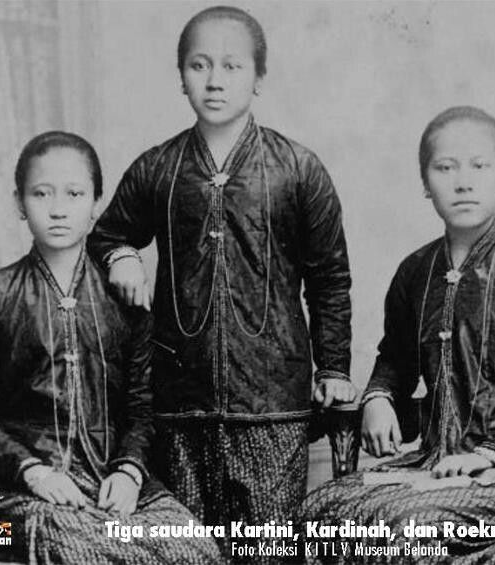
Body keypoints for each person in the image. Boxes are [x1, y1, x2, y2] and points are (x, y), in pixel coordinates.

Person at [86, 5, 355, 553]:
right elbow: (103, 236)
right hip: (179, 404)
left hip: (273, 407)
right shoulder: (156, 168)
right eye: (199, 65)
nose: (214, 80)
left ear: (260, 77)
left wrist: (333, 366)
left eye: (232, 66)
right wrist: (122, 257)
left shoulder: (299, 169)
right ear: (180, 76)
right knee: (191, 551)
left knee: (266, 548)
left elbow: (329, 277)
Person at [297, 106, 495, 564]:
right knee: (316, 513)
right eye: (445, 167)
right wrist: (378, 397)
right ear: (425, 182)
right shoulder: (416, 272)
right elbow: (395, 358)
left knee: (407, 532)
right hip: (437, 464)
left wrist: (492, 453)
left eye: (480, 166)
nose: (463, 182)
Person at [0, 131, 223, 564]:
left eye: (74, 193)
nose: (58, 209)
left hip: (105, 479)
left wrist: (130, 471)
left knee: (196, 550)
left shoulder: (125, 297)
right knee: (89, 549)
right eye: (41, 194)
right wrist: (34, 471)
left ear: (96, 203)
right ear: (19, 204)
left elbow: (141, 407)